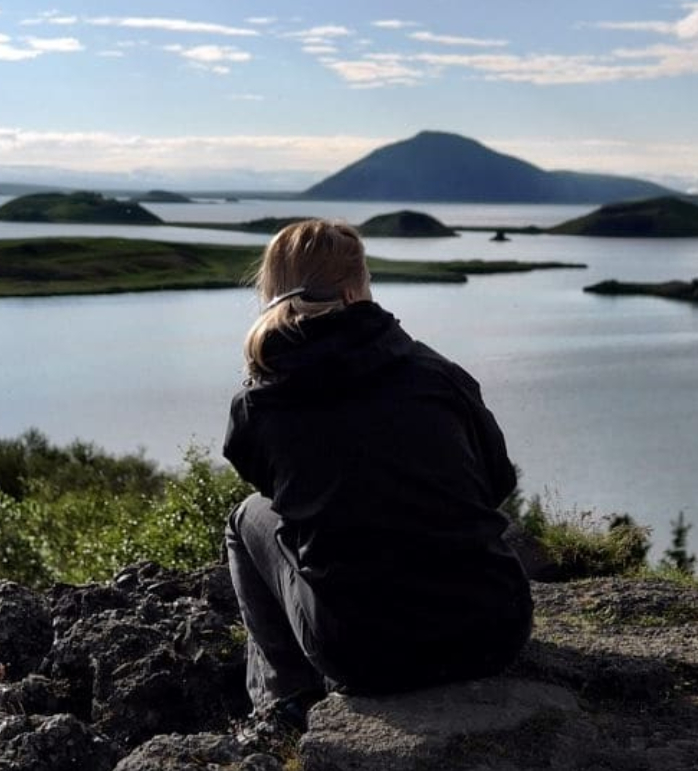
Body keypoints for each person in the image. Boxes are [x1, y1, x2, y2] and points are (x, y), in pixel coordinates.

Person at [223, 218, 532, 735]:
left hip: (364, 657)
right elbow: (498, 482)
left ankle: (286, 703)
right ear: (355, 288)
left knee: (246, 518)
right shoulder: (437, 373)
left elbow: (278, 497)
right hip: (494, 631)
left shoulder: (259, 403)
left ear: (273, 291)